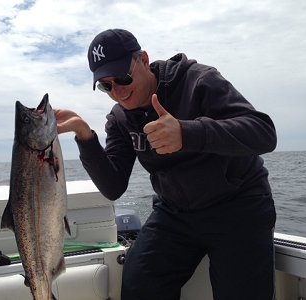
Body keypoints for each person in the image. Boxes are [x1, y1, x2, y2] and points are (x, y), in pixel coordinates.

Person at [55, 28, 277, 300]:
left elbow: (263, 132)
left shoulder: (198, 81)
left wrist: (187, 133)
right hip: (176, 213)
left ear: (144, 60)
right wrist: (85, 136)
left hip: (237, 206)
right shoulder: (120, 119)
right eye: (106, 85)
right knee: (139, 286)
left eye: (122, 78)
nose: (118, 92)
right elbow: (113, 187)